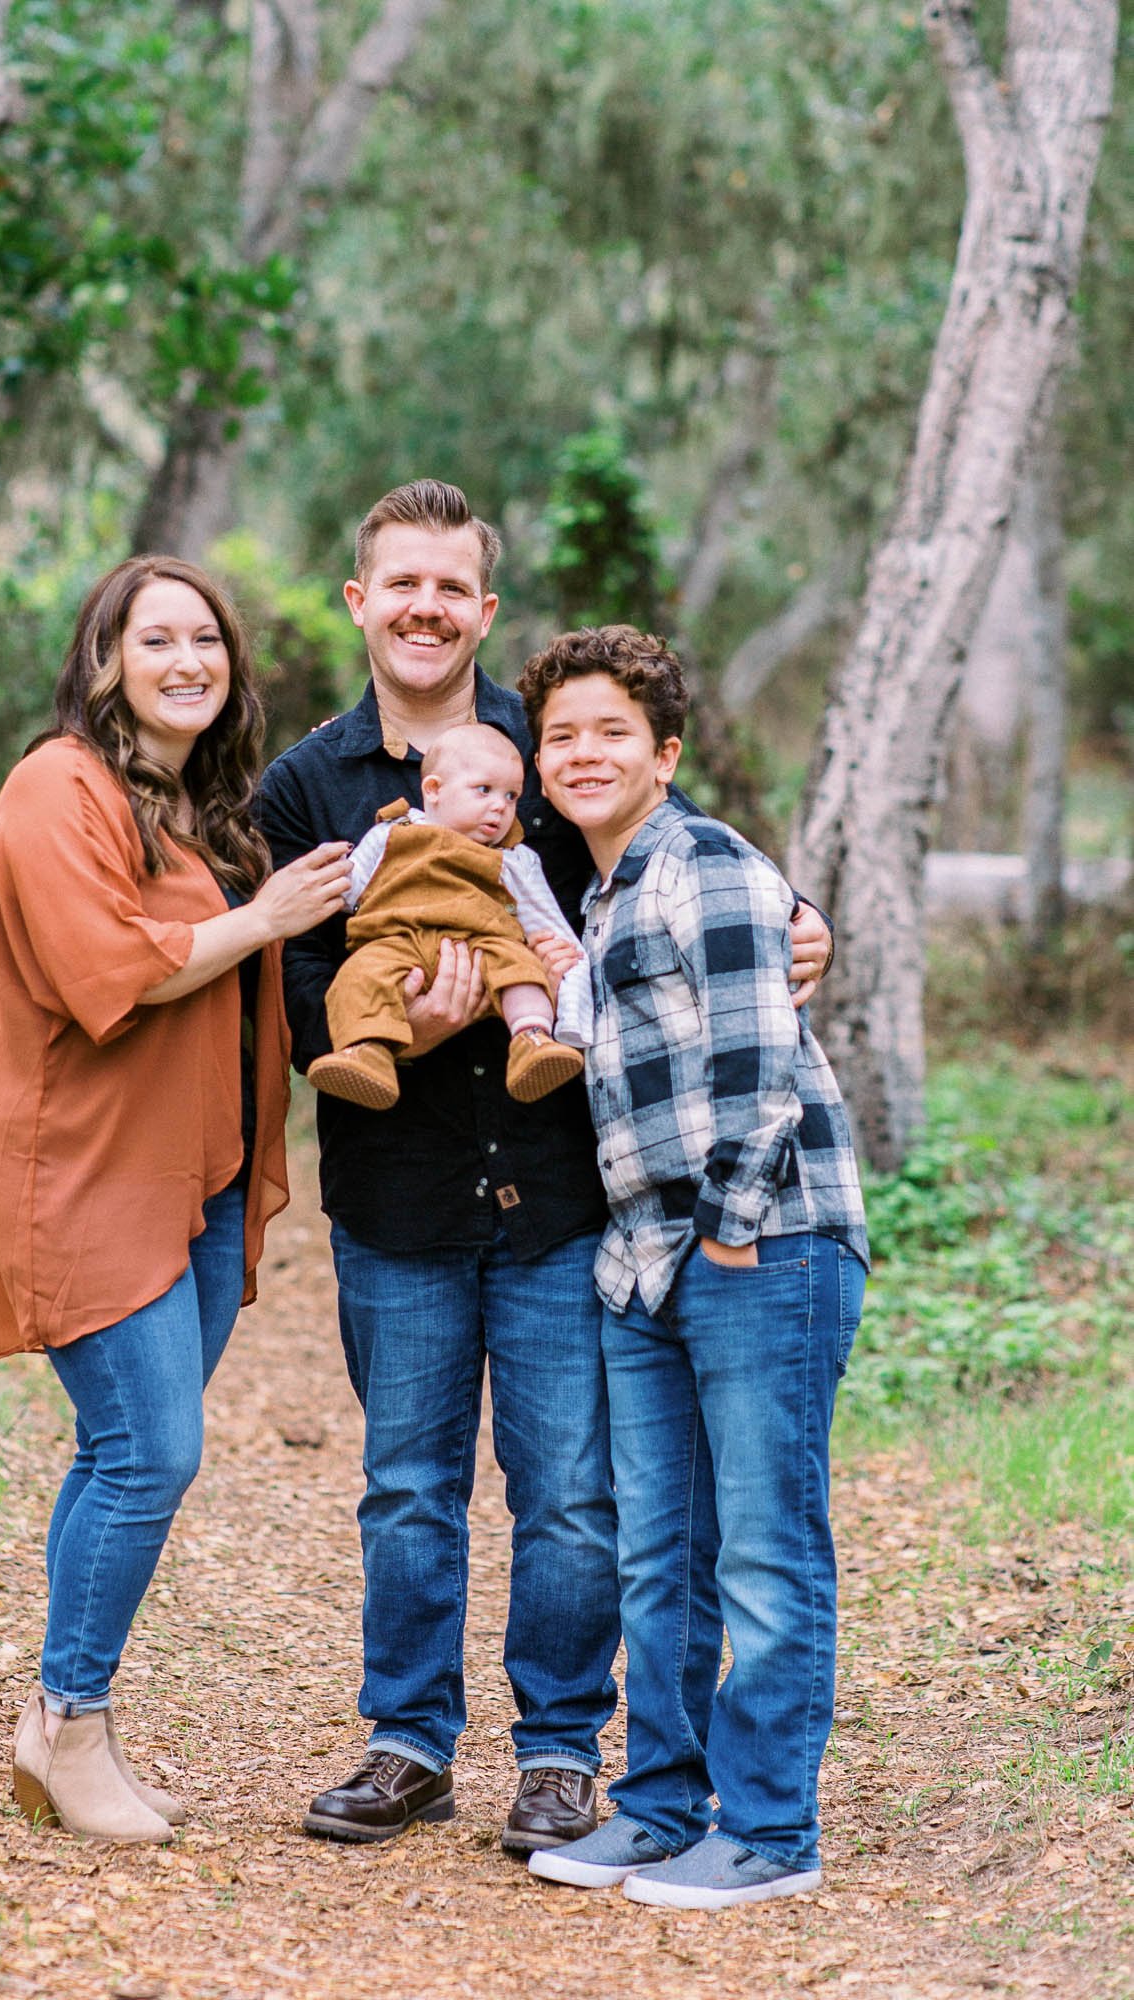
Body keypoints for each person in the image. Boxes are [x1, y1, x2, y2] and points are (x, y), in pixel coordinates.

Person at [256, 480, 835, 1855]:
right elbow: (288, 997)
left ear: (484, 609)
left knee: (570, 1490)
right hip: (394, 1196)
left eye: (451, 586)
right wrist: (407, 1010)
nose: (424, 606)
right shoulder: (307, 785)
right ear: (359, 600)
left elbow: (674, 862)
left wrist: (797, 912)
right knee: (407, 1484)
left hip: (564, 1195)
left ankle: (563, 1752)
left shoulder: (550, 754)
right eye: (400, 582)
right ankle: (406, 1741)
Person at [0, 554, 350, 1845]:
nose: (188, 660)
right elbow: (105, 972)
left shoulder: (200, 810)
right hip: (85, 1177)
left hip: (193, 1179)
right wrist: (267, 918)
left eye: (208, 639)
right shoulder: (57, 786)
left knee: (122, 1451)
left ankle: (56, 1724)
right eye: (158, 639)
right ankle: (73, 1726)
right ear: (107, 660)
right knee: (152, 1452)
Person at [517, 625, 869, 1909]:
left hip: (761, 1240)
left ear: (663, 753)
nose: (582, 752)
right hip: (645, 1258)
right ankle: (663, 1807)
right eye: (560, 734)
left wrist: (725, 1225)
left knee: (764, 1549)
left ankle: (770, 1830)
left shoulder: (705, 862)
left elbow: (759, 1060)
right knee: (657, 1549)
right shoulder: (602, 896)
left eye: (612, 730)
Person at [308, 721, 590, 1112]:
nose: (500, 807)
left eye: (511, 797)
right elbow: (346, 889)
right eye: (484, 790)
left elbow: (547, 922)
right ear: (434, 790)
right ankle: (367, 1051)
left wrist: (569, 989)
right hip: (396, 940)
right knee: (359, 976)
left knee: (519, 967)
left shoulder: (511, 858)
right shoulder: (394, 831)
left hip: (482, 942)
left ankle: (532, 1038)